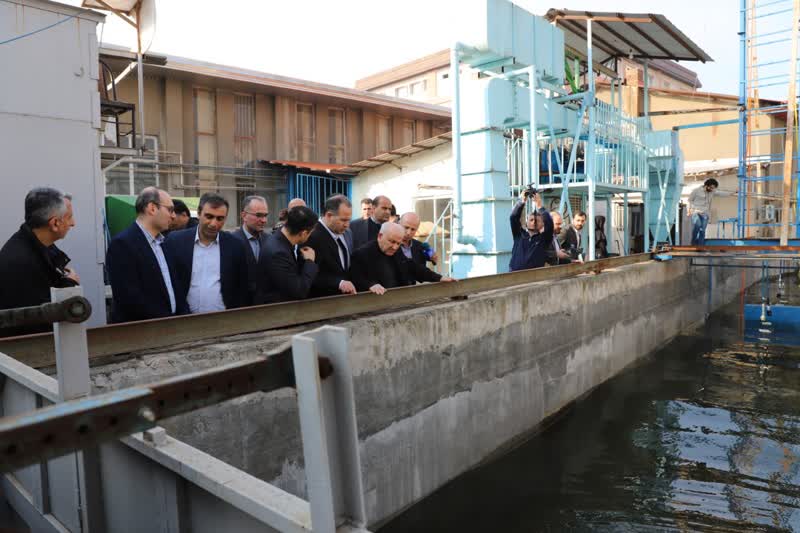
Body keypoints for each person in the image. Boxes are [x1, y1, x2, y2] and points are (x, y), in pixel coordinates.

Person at [0, 188, 79, 337]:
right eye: (69, 217)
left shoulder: (35, 246)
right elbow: (37, 319)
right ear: (55, 223)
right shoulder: (20, 262)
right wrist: (69, 284)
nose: (73, 223)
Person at [164, 193, 249, 313]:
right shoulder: (175, 241)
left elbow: (242, 287)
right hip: (183, 318)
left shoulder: (235, 246)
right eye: (209, 216)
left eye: (220, 218)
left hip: (224, 319)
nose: (213, 224)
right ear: (199, 213)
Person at [106, 187, 177, 323]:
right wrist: (165, 322)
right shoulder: (122, 245)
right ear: (152, 208)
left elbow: (173, 288)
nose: (173, 216)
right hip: (142, 330)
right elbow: (129, 298)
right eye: (170, 209)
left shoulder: (164, 243)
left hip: (169, 327)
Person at [350, 222, 454, 294]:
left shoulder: (397, 252)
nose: (395, 247)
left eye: (398, 243)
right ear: (380, 236)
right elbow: (355, 277)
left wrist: (439, 278)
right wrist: (370, 285)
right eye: (392, 242)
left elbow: (413, 267)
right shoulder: (361, 254)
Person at [257, 206, 319, 304]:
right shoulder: (278, 253)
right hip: (275, 309)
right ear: (303, 233)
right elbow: (299, 292)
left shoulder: (278, 239)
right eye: (310, 233)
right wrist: (310, 262)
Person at [304, 195, 357, 297]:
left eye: (349, 220)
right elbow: (308, 274)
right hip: (323, 299)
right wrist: (339, 283)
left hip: (347, 298)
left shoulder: (347, 232)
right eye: (343, 220)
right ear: (328, 215)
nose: (347, 225)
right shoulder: (311, 236)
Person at [230, 195, 270, 303]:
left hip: (266, 305)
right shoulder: (231, 242)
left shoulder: (270, 240)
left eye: (265, 215)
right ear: (244, 215)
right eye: (259, 215)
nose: (264, 220)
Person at [509, 191, 553, 271]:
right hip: (514, 274)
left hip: (534, 276)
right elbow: (513, 217)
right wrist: (522, 201)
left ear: (542, 224)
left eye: (537, 220)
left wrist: (539, 205)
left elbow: (549, 224)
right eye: (531, 220)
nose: (534, 222)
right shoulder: (519, 235)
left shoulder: (544, 239)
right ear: (526, 223)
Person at [687, 178, 732, 246]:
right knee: (698, 225)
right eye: (711, 187)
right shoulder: (696, 190)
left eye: (713, 188)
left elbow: (721, 193)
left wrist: (732, 193)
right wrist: (689, 210)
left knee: (702, 230)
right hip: (696, 212)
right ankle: (693, 243)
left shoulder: (712, 192)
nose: (712, 189)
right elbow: (689, 200)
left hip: (705, 213)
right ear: (706, 185)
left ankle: (700, 246)